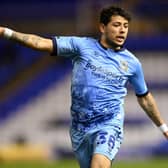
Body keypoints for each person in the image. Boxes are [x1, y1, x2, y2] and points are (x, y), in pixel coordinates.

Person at [0, 5, 168, 168]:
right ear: (103, 27)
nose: (122, 30)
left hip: (108, 124)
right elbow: (40, 43)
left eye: (125, 26)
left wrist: (163, 127)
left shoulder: (132, 63)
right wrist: (6, 32)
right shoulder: (81, 46)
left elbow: (144, 97)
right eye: (116, 25)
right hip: (80, 127)